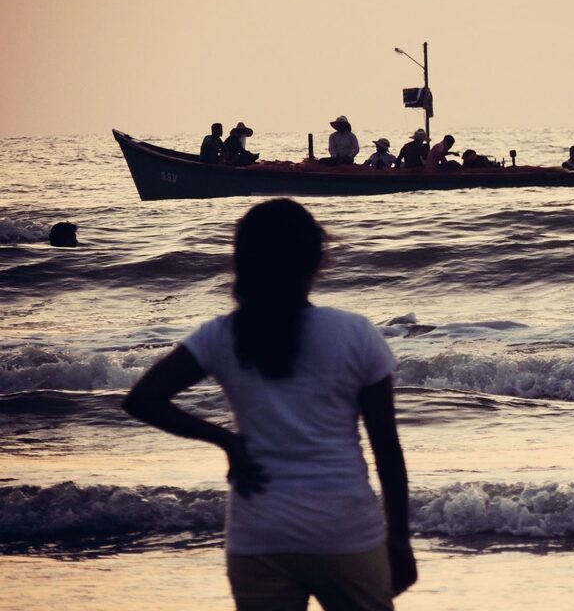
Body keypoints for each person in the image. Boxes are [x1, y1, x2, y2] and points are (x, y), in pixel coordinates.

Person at [122, 199, 416, 610]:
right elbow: (387, 448)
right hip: (344, 531)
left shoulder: (221, 335)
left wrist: (225, 440)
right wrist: (399, 538)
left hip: (258, 535)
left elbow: (143, 399)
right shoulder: (355, 333)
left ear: (243, 262)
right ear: (316, 259)